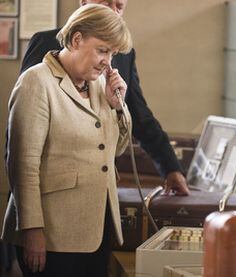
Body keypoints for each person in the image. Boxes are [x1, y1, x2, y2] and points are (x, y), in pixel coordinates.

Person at [2, 4, 133, 276]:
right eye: (102, 50)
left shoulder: (98, 84)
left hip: (96, 227)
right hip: (51, 232)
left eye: (113, 53)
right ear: (76, 39)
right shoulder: (36, 81)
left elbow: (115, 150)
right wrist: (32, 230)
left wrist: (117, 106)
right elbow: (23, 166)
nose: (108, 61)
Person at [20, 0, 190, 196]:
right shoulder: (46, 43)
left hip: (100, 188)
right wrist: (25, 208)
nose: (113, 12)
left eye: (119, 6)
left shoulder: (125, 54)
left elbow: (140, 114)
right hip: (50, 190)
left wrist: (170, 167)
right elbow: (24, 125)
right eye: (106, 3)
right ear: (84, 2)